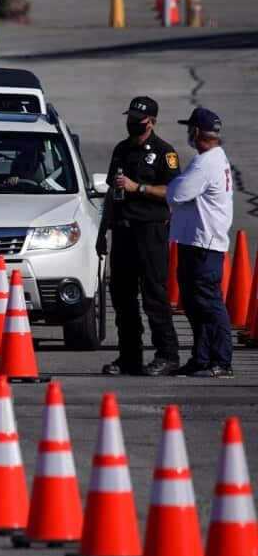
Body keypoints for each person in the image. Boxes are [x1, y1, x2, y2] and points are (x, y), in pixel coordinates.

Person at [126, 108, 234, 377]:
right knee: (195, 304)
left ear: (196, 132)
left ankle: (221, 360)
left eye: (190, 129)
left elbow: (177, 191)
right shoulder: (214, 160)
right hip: (195, 241)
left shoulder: (205, 162)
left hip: (202, 244)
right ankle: (202, 357)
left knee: (208, 304)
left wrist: (173, 189)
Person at [96, 96, 180, 376]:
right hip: (123, 231)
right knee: (122, 296)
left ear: (152, 122)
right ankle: (129, 355)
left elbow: (173, 191)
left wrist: (138, 188)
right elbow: (111, 193)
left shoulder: (164, 152)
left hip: (150, 231)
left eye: (138, 121)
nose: (132, 124)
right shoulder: (121, 150)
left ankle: (167, 355)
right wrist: (102, 232)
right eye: (130, 119)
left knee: (155, 294)